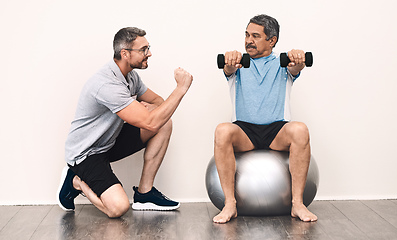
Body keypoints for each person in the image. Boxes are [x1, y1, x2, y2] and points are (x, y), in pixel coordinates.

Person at [57, 27, 193, 218]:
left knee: (164, 122)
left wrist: (147, 111)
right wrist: (181, 89)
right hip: (86, 153)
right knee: (118, 208)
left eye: (148, 48)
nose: (149, 53)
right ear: (125, 54)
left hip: (108, 142)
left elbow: (159, 104)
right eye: (144, 49)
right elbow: (151, 123)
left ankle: (145, 194)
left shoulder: (131, 77)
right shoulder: (106, 84)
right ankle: (76, 181)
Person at [213, 14, 318, 223]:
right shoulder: (239, 64)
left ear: (272, 40)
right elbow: (229, 68)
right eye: (246, 35)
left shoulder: (283, 64)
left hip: (277, 130)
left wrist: (298, 57)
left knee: (300, 129)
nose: (248, 41)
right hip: (244, 131)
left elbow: (296, 67)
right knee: (222, 130)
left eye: (255, 36)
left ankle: (297, 204)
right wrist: (230, 59)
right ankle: (230, 204)